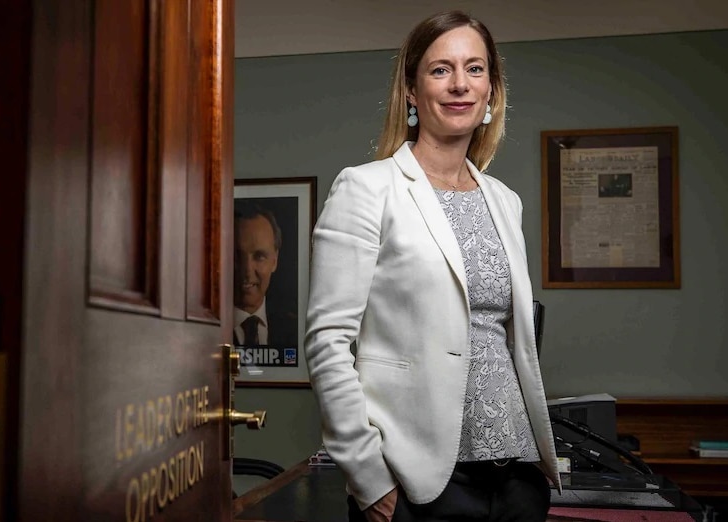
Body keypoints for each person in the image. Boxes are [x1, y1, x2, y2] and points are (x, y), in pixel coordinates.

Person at [304, 10, 560, 522]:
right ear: (412, 92)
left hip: (518, 474)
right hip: (418, 483)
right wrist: (368, 478)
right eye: (441, 70)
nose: (460, 84)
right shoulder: (366, 188)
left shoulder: (504, 200)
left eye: (475, 69)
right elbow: (327, 341)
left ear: (491, 91)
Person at [234, 203, 297, 348]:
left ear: (274, 260)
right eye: (236, 256)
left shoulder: (293, 327)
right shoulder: (205, 331)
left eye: (259, 256)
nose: (247, 270)